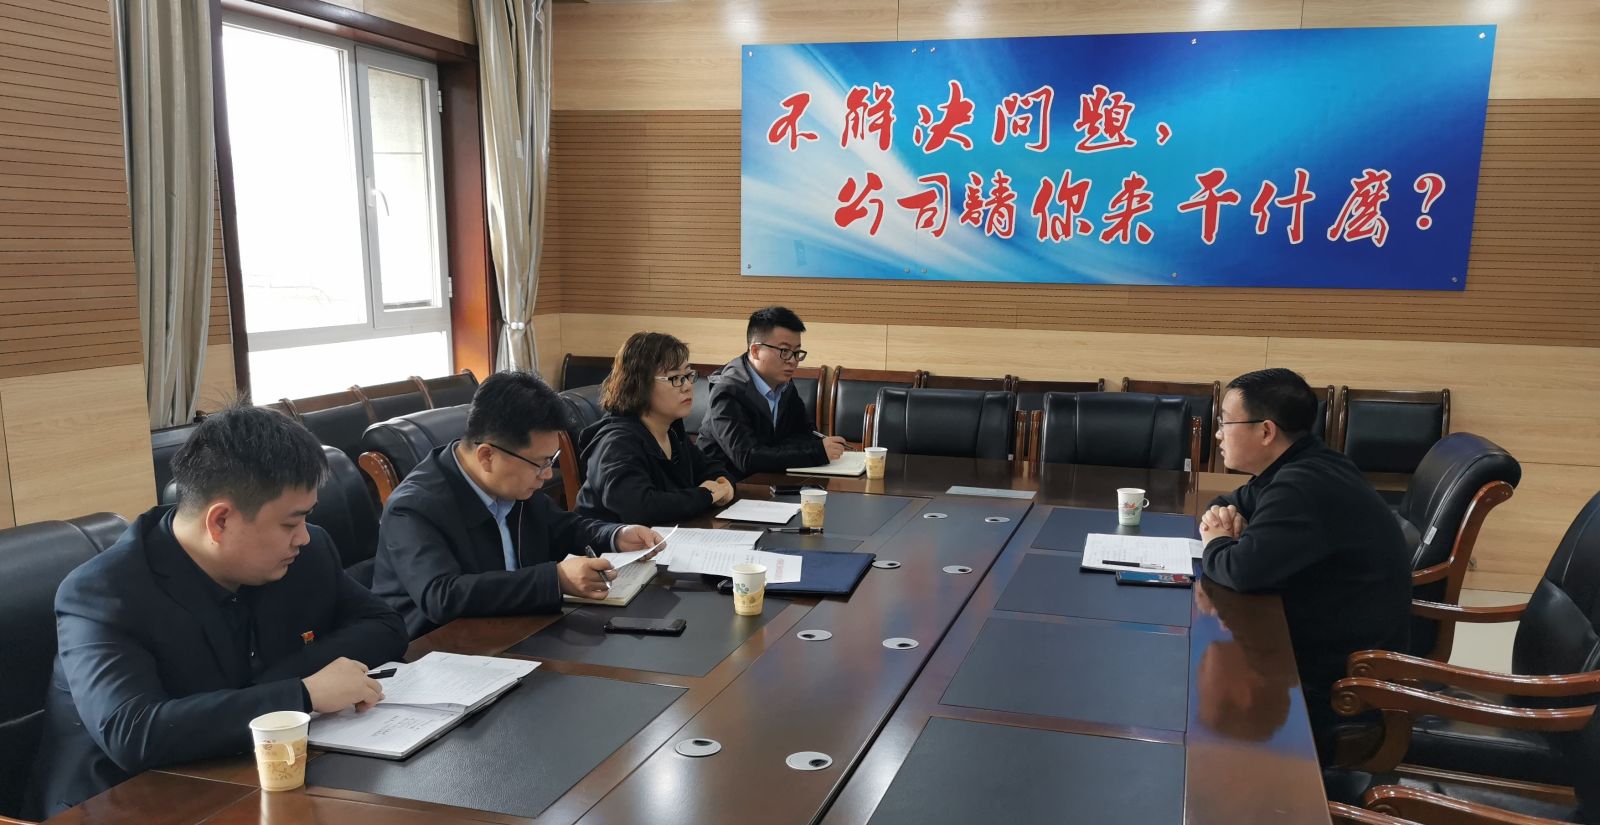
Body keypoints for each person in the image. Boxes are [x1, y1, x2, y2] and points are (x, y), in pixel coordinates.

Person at [27, 406, 408, 819]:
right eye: (289, 523)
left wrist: (282, 685)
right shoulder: (103, 593)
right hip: (122, 803)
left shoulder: (304, 554)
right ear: (221, 520)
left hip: (247, 776)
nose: (303, 537)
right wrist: (300, 694)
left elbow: (385, 625)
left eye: (306, 518)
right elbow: (133, 732)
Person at [1198, 367, 1410, 759]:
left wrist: (1216, 542)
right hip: (1328, 639)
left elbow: (1241, 571)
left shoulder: (1302, 485)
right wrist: (1222, 522)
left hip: (1338, 677)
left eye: (1225, 423)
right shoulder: (1300, 464)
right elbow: (1228, 503)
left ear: (1266, 431)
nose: (1218, 434)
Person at [371, 370, 666, 638]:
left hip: (518, 630)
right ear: (487, 456)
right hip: (440, 650)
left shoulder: (513, 483)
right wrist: (555, 580)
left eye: (551, 461)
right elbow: (442, 596)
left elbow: (563, 527)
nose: (547, 474)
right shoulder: (412, 508)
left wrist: (616, 535)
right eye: (540, 463)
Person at [576, 332, 735, 524]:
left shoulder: (671, 430)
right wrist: (706, 495)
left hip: (665, 536)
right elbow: (640, 507)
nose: (687, 386)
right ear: (639, 384)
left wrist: (723, 483)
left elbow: (709, 467)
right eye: (675, 378)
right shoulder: (617, 443)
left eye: (688, 375)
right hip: (610, 542)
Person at [698, 306, 847, 479]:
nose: (793, 361)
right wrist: (816, 452)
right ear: (755, 351)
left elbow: (806, 433)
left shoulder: (784, 383)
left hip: (770, 480)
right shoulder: (728, 390)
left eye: (797, 352)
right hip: (726, 485)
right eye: (784, 351)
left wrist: (775, 451)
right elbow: (748, 458)